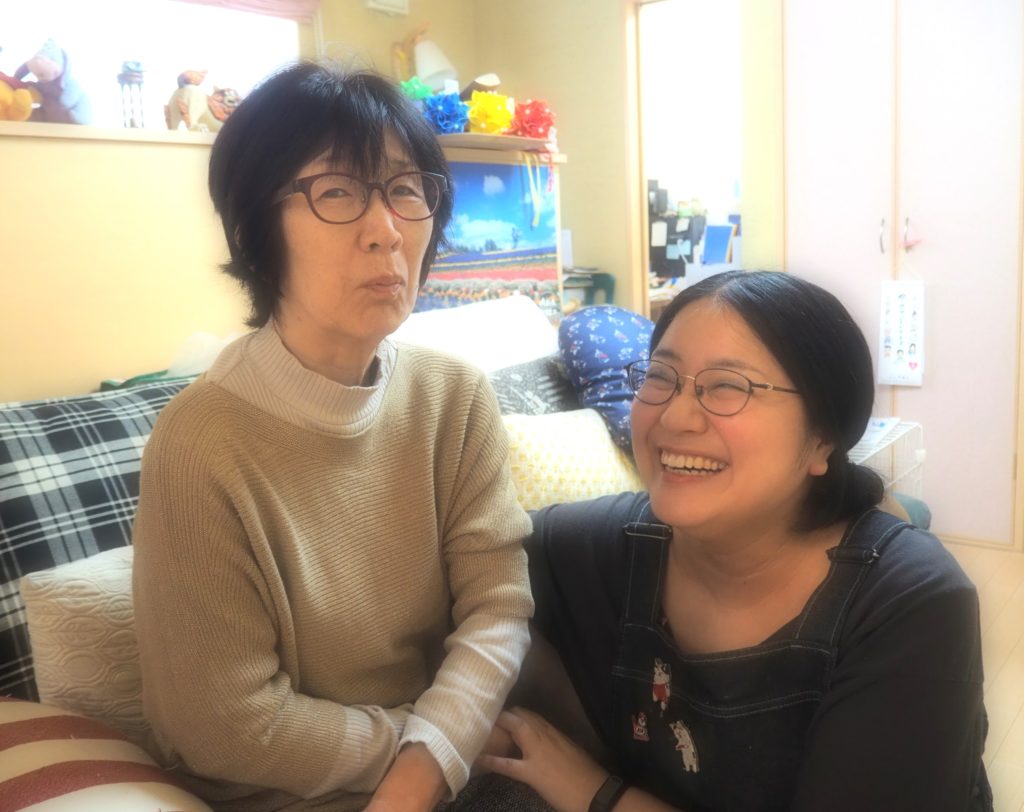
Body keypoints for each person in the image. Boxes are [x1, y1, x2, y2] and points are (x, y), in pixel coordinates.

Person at [131, 62, 536, 812]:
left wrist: (425, 765)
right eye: (339, 192)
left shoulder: (454, 397)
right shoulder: (200, 443)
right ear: (255, 232)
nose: (386, 231)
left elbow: (499, 609)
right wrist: (428, 750)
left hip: (445, 768)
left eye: (406, 189)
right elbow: (223, 725)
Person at [479, 270, 991, 811]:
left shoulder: (910, 603)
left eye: (728, 386)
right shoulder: (605, 545)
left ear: (822, 439)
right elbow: (462, 557)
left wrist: (594, 793)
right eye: (660, 376)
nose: (675, 415)